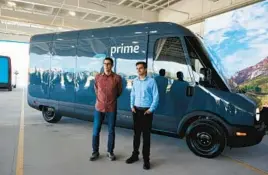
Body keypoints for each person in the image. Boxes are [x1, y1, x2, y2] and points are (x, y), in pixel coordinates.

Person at [126, 61, 159, 170]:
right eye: (137, 68)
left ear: (145, 69)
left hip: (146, 112)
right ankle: (135, 155)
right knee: (136, 135)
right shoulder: (135, 81)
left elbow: (156, 97)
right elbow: (132, 94)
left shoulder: (151, 81)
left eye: (140, 68)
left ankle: (146, 160)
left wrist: (151, 109)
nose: (138, 70)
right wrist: (131, 106)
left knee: (146, 137)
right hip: (136, 111)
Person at [90, 57, 122, 161]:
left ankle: (110, 152)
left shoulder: (117, 78)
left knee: (111, 131)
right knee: (96, 130)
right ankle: (95, 152)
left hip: (111, 108)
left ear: (112, 65)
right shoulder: (98, 77)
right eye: (105, 64)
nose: (106, 66)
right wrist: (101, 100)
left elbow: (119, 92)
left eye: (108, 64)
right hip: (99, 107)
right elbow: (96, 90)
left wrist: (110, 99)